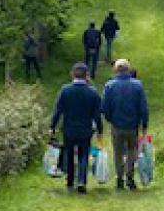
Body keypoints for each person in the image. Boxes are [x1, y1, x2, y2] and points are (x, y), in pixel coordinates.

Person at [50, 63, 103, 194]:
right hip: (85, 128)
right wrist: (100, 130)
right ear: (87, 75)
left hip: (69, 128)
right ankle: (82, 181)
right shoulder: (92, 92)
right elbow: (97, 114)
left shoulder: (65, 90)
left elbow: (58, 110)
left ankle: (70, 180)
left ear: (72, 74)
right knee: (83, 154)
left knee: (68, 152)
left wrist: (52, 126)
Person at [101, 59, 149, 190]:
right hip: (133, 125)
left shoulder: (109, 86)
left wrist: (110, 119)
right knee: (132, 150)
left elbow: (104, 106)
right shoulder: (137, 85)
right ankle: (130, 176)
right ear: (128, 69)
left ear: (116, 70)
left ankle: (119, 177)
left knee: (117, 152)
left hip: (117, 124)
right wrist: (144, 123)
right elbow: (143, 107)